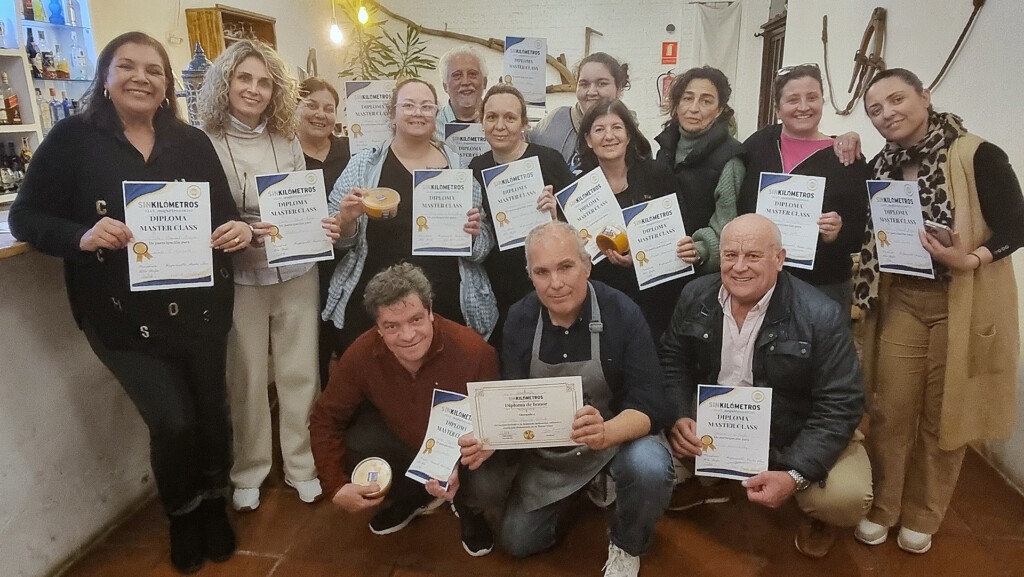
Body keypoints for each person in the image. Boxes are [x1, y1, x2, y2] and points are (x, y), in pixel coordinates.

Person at [8, 31, 252, 573]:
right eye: (127, 66)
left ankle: (215, 504)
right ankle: (183, 513)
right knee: (173, 420)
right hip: (118, 315)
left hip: (200, 307)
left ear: (167, 84)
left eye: (154, 70)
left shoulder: (191, 142)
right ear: (105, 76)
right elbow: (24, 217)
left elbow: (225, 214)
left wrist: (238, 229)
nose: (141, 78)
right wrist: (80, 236)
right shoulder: (72, 140)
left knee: (211, 412)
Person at [852, 68, 1024, 554]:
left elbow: (1016, 224)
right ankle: (883, 506)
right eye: (875, 110)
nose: (888, 114)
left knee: (945, 416)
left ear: (925, 96)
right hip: (903, 299)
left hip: (962, 301)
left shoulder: (976, 155)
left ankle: (923, 513)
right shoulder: (881, 165)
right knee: (890, 410)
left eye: (897, 99)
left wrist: (971, 259)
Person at [448, 222, 674, 577]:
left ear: (587, 265)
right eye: (542, 272)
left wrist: (606, 433)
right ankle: (580, 491)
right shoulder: (519, 319)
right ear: (530, 275)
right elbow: (512, 398)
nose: (555, 283)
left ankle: (627, 541)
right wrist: (494, 436)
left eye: (566, 266)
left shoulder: (622, 312)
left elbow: (651, 402)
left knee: (650, 466)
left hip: (615, 442)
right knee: (518, 542)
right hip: (550, 454)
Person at [660, 214, 872, 559]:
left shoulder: (821, 315)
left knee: (845, 498)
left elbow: (841, 403)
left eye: (753, 256)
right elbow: (672, 360)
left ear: (780, 258)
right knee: (650, 465)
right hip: (714, 429)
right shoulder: (695, 295)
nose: (739, 267)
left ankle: (815, 515)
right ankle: (711, 477)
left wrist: (795, 474)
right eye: (730, 255)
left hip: (792, 432)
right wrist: (679, 415)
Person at [198, 39, 332, 512]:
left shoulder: (286, 137)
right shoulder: (205, 140)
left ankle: (301, 465)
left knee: (301, 372)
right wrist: (240, 228)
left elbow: (300, 198)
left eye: (264, 82)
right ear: (225, 83)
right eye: (244, 78)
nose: (254, 89)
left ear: (276, 91)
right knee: (248, 377)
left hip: (296, 267)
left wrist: (317, 222)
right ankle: (249, 470)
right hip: (241, 274)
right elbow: (205, 208)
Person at [309, 263, 499, 535]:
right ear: (378, 328)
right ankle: (416, 494)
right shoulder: (361, 355)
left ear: (431, 312)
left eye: (416, 319)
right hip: (404, 438)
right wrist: (334, 486)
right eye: (392, 326)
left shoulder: (475, 352)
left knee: (489, 487)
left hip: (463, 451)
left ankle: (469, 508)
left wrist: (457, 462)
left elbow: (494, 422)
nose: (408, 335)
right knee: (356, 444)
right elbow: (325, 418)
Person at [323, 78, 497, 350]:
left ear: (436, 114)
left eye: (427, 106)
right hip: (375, 305)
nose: (418, 112)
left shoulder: (458, 170)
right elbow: (338, 238)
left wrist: (474, 235)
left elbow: (483, 248)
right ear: (392, 112)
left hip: (443, 305)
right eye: (408, 105)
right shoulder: (364, 166)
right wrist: (346, 219)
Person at [738, 64, 870, 311]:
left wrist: (838, 232)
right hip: (760, 281)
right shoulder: (759, 145)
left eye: (812, 97)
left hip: (823, 286)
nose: (803, 107)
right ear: (777, 108)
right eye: (792, 100)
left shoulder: (845, 157)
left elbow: (862, 228)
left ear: (822, 101)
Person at [469, 84, 571, 349]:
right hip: (498, 290)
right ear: (482, 122)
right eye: (492, 117)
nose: (500, 126)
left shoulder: (549, 161)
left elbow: (581, 230)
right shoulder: (476, 168)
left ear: (524, 123)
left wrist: (556, 215)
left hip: (548, 287)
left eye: (510, 117)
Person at [577, 98, 681, 338]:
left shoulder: (657, 174)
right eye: (599, 130)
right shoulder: (578, 189)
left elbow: (678, 229)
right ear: (588, 140)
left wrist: (641, 254)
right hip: (602, 297)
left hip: (654, 295)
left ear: (629, 135)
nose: (609, 136)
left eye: (616, 127)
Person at [655, 66, 744, 280]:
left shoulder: (730, 159)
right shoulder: (664, 150)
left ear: (719, 110)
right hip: (659, 268)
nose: (694, 108)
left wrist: (701, 249)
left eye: (706, 101)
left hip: (702, 276)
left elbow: (728, 226)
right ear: (677, 104)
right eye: (687, 98)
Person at [295, 76, 352, 386]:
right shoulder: (284, 154)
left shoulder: (350, 151)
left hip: (346, 259)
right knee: (311, 344)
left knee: (347, 342)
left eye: (329, 109)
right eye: (311, 106)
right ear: (295, 108)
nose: (321, 114)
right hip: (303, 265)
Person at [529, 52, 630, 174]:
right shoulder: (556, 122)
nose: (591, 92)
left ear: (618, 88)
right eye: (584, 84)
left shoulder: (629, 130)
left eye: (602, 84)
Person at [434, 44, 488, 141]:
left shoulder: (499, 124)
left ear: (484, 82)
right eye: (457, 75)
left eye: (472, 74)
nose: (465, 82)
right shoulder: (432, 128)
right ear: (445, 86)